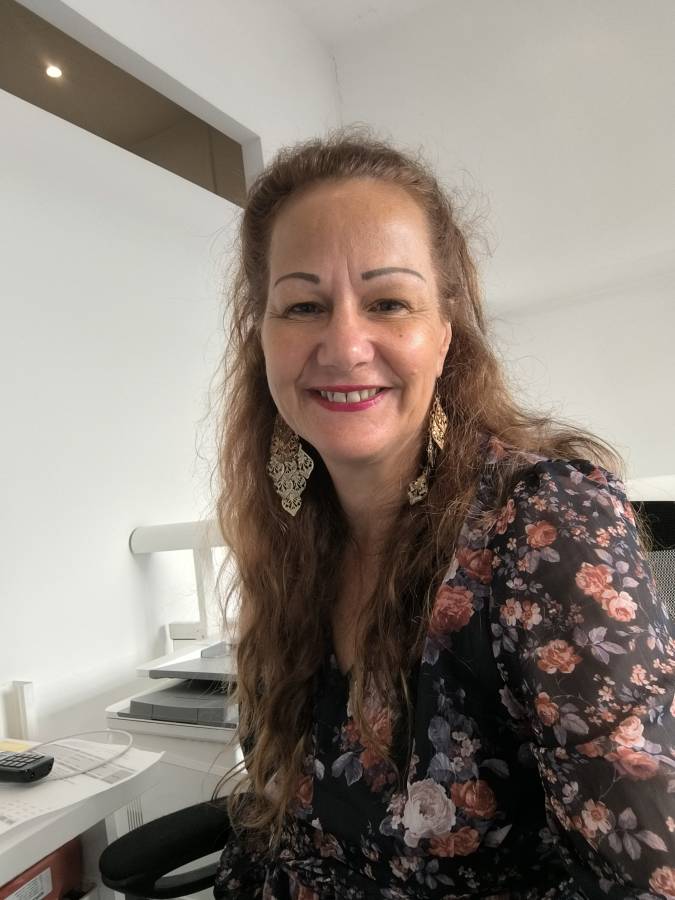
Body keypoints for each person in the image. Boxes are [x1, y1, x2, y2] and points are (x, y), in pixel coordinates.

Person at [209, 129, 675, 899]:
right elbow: (281, 828)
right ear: (261, 338)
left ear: (443, 338)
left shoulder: (543, 525)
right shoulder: (292, 535)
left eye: (388, 302)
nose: (344, 344)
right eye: (303, 305)